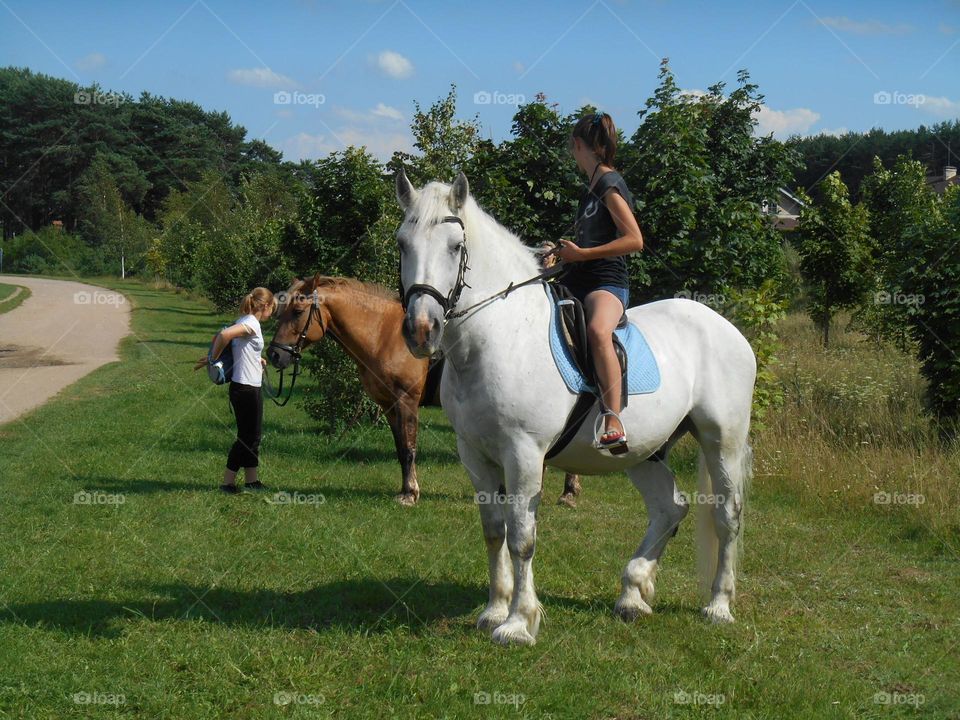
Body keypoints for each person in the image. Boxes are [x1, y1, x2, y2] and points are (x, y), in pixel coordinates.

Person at [555, 111, 644, 452]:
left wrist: (582, 256)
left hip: (607, 281)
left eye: (571, 149)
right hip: (579, 278)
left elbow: (634, 240)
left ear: (578, 145)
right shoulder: (590, 188)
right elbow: (585, 245)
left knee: (596, 331)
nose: (572, 155)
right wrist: (561, 254)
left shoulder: (608, 182)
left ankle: (613, 417)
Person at [195, 287, 277, 493]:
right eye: (272, 308)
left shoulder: (243, 320)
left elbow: (239, 347)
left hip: (246, 386)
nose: (272, 313)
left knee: (252, 436)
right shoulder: (251, 323)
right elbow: (224, 335)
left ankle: (251, 481)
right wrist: (213, 359)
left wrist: (258, 359)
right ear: (265, 306)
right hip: (246, 388)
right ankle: (227, 482)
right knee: (248, 437)